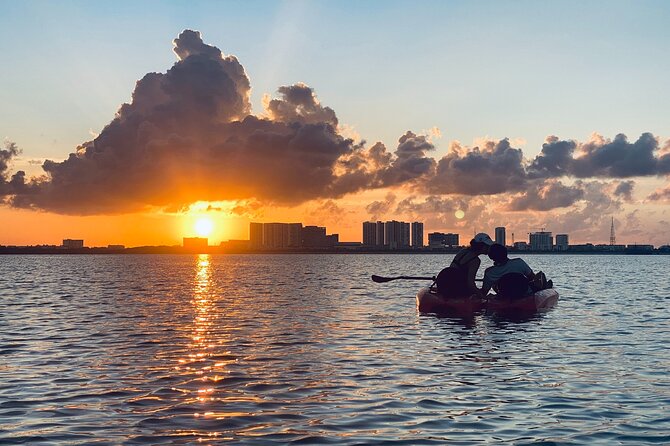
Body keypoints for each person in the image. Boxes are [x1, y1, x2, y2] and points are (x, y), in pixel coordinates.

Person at [435, 233, 494, 298]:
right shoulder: (475, 260)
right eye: (487, 246)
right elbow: (470, 284)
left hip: (444, 282)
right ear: (481, 246)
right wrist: (482, 296)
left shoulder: (463, 251)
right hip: (456, 287)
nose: (489, 248)